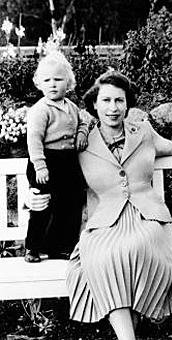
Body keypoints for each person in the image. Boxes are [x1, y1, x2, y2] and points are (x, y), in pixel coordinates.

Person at [27, 70, 172, 340]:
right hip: (104, 223)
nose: (113, 108)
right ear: (94, 104)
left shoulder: (143, 133)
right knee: (105, 257)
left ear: (128, 104)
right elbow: (54, 176)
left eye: (119, 101)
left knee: (140, 248)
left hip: (148, 218)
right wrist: (31, 197)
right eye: (106, 100)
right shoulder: (80, 143)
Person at [25, 51, 89, 263]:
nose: (52, 84)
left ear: (68, 83)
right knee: (42, 204)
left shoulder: (71, 107)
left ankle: (58, 246)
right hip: (45, 160)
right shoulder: (41, 110)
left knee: (69, 203)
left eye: (58, 79)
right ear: (39, 84)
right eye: (47, 80)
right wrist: (40, 167)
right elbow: (33, 139)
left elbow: (83, 122)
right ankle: (32, 247)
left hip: (67, 161)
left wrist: (81, 133)